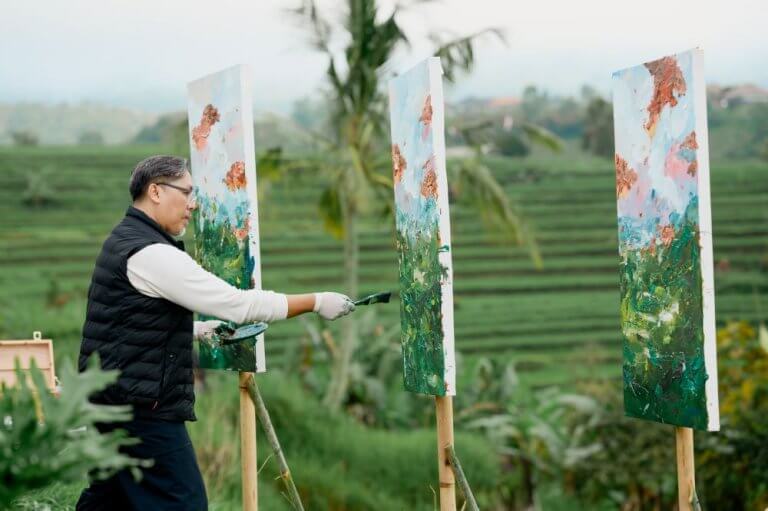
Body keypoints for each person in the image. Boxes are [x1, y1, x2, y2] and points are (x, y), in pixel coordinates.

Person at [76, 155, 354, 510]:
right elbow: (239, 305)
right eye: (187, 192)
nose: (192, 204)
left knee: (108, 501)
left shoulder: (123, 238)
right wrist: (316, 301)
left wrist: (195, 330)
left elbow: (128, 322)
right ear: (156, 192)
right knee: (184, 502)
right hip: (141, 410)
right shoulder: (152, 253)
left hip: (111, 401)